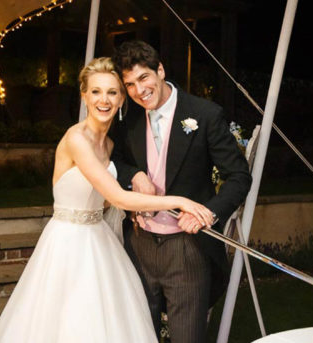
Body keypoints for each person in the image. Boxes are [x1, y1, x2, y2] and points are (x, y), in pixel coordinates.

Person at [0, 57, 214, 343]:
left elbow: (107, 201)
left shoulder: (109, 145)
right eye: (95, 91)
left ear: (121, 99)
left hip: (100, 241)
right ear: (84, 96)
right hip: (68, 247)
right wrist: (180, 201)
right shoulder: (76, 140)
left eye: (112, 92)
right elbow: (116, 194)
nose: (103, 100)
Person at [111, 40, 252, 343]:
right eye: (130, 84)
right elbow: (115, 160)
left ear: (160, 70)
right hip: (138, 245)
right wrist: (134, 174)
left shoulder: (205, 114)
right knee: (137, 335)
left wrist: (209, 214)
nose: (139, 90)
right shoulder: (129, 117)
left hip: (187, 248)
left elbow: (238, 176)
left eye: (144, 78)